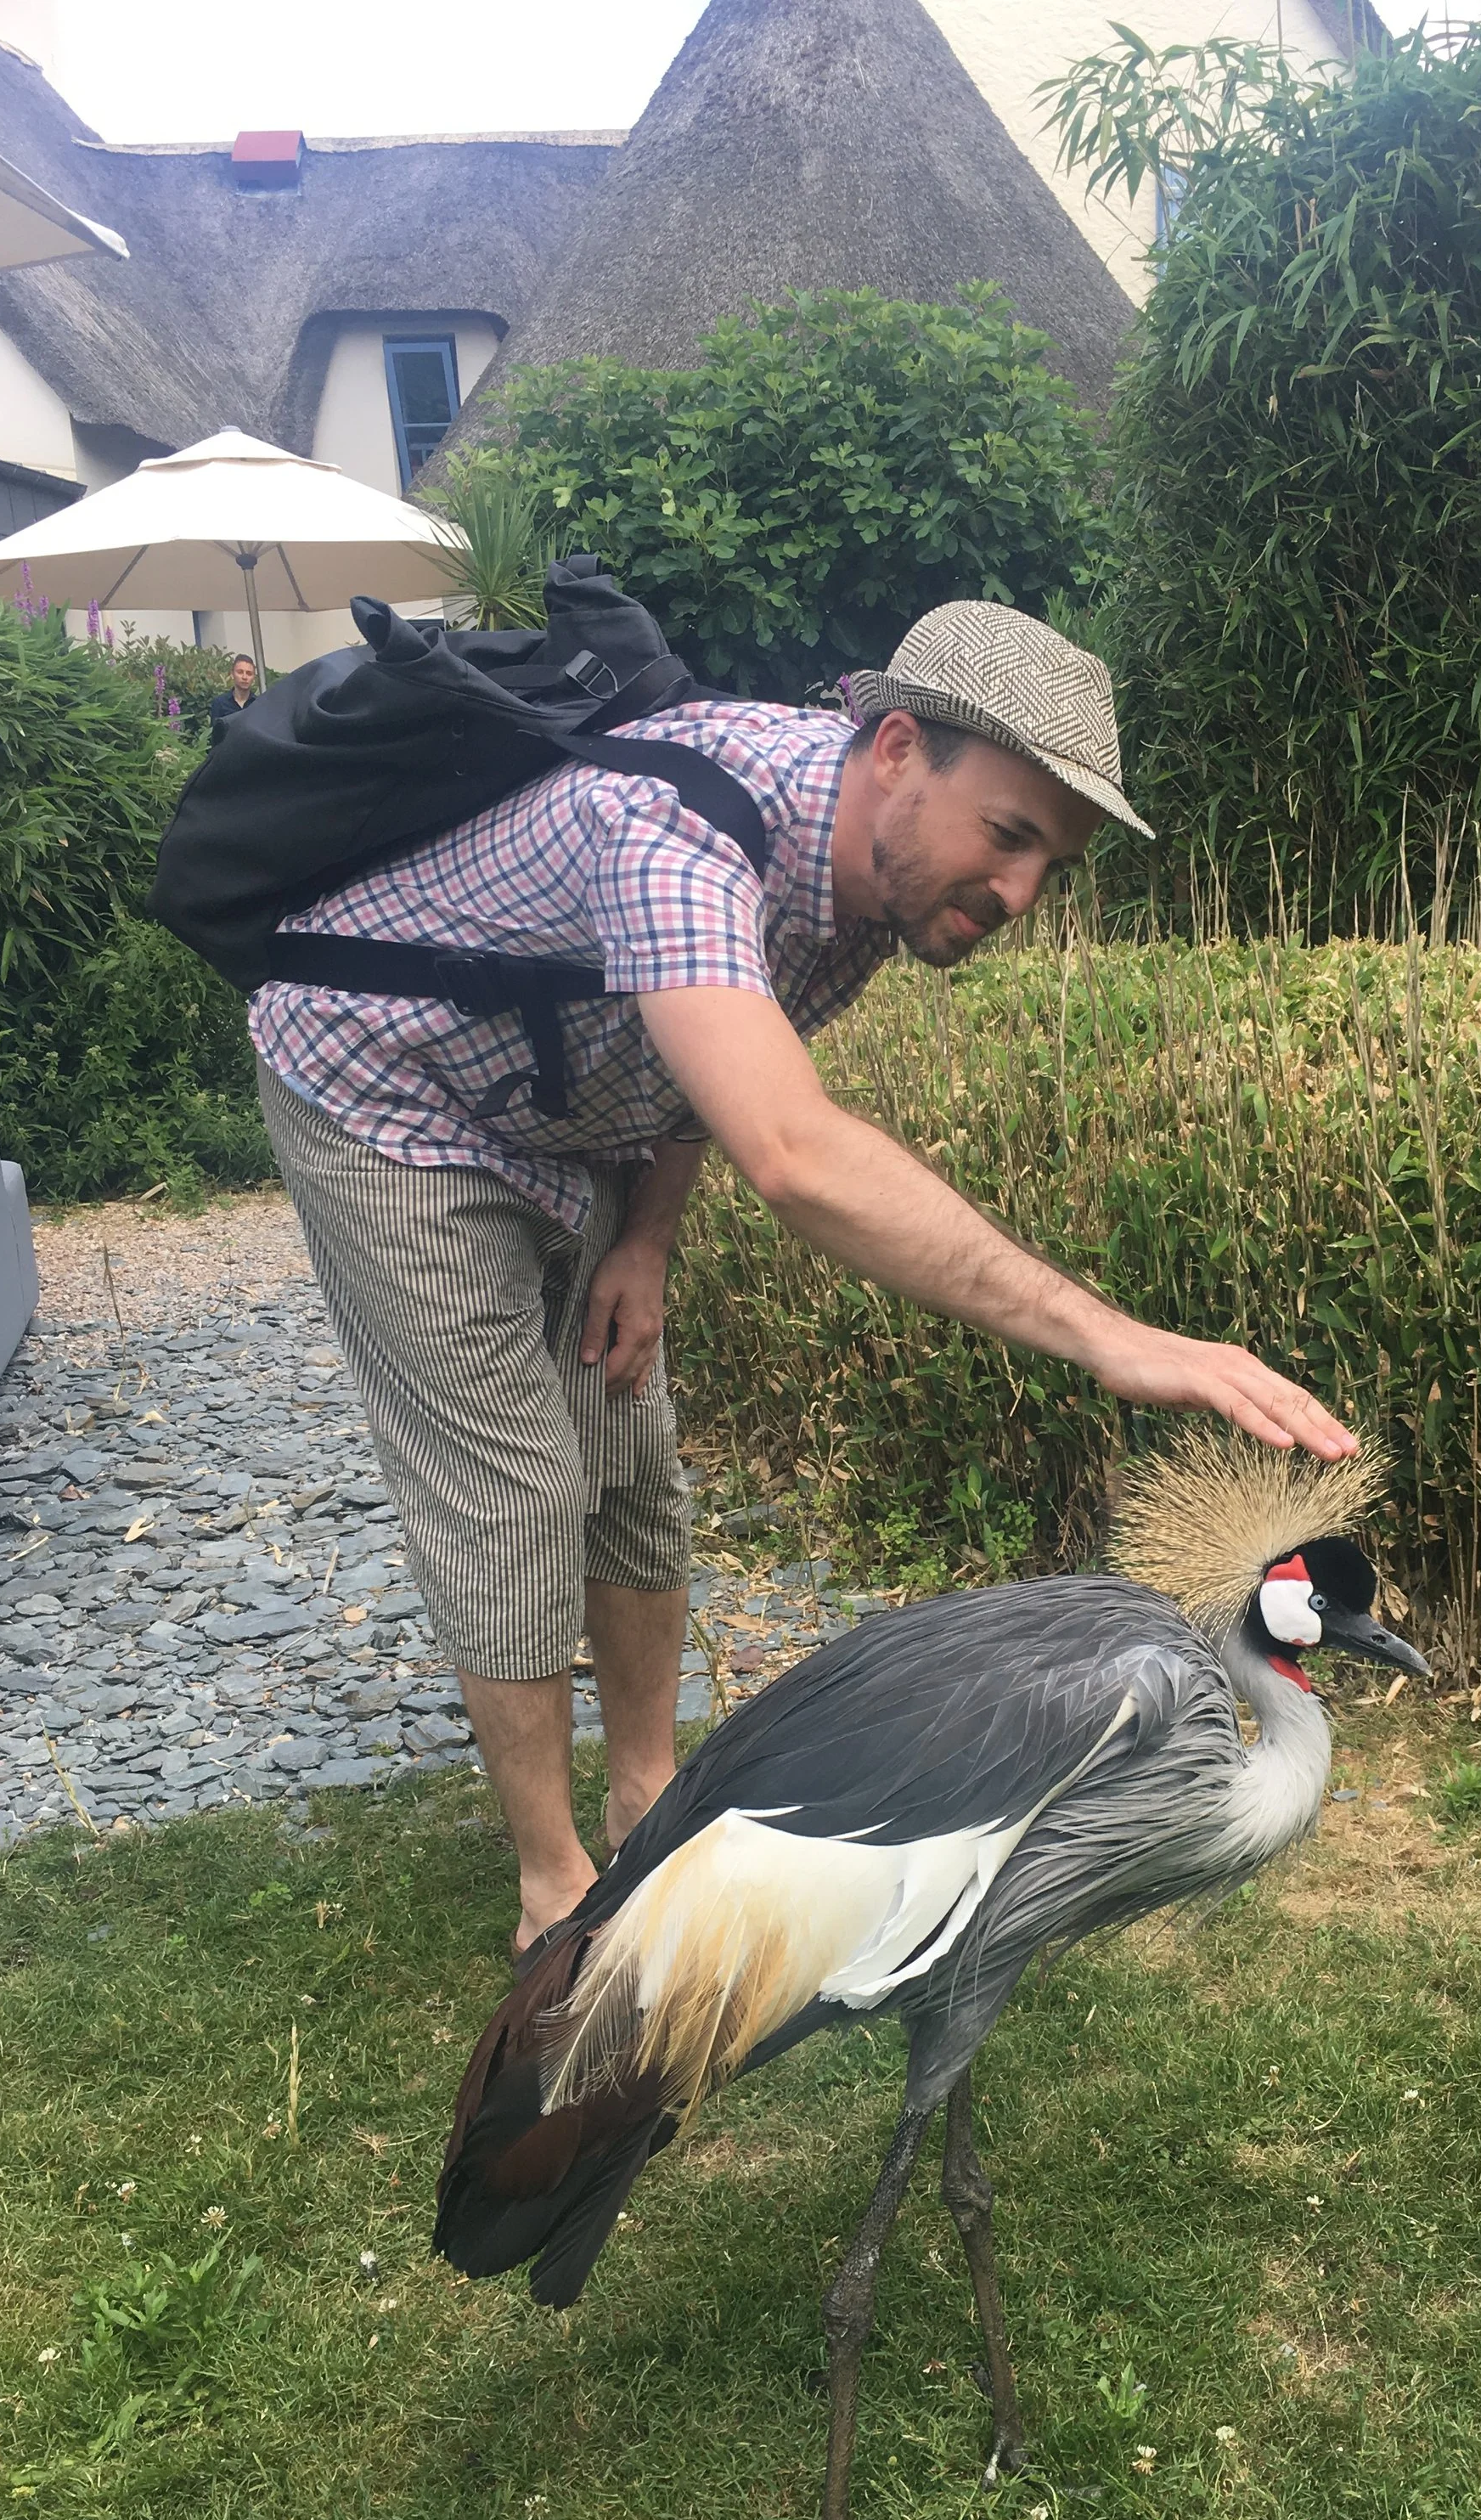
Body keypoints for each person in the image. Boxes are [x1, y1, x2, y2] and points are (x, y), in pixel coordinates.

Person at [248, 601, 1356, 1963]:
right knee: (516, 1487)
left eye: (1049, 868)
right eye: (1007, 836)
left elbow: (694, 1080)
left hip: (576, 1106)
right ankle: (553, 1883)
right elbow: (793, 1148)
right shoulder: (679, 828)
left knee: (631, 1453)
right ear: (896, 748)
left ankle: (650, 1795)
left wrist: (646, 1240)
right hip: (389, 1093)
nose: (1016, 896)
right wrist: (1108, 1337)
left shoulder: (867, 903)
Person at [206, 652, 257, 736]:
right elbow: (215, 737)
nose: (245, 677)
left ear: (253, 678)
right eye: (240, 672)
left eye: (249, 673)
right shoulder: (219, 703)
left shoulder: (258, 704)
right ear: (232, 674)